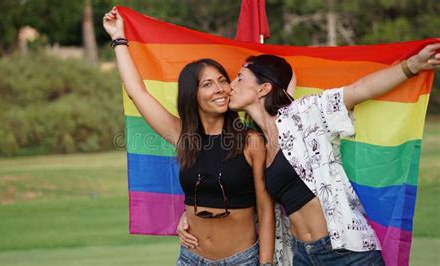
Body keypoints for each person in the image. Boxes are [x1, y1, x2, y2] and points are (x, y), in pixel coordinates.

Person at [179, 43, 440, 265]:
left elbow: (360, 90)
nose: (230, 87)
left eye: (239, 78)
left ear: (263, 89)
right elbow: (231, 189)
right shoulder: (254, 141)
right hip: (302, 255)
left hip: (346, 251)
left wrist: (413, 65)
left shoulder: (305, 115)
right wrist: (187, 216)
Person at [103, 7, 275, 265]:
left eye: (222, 80)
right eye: (207, 84)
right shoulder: (183, 137)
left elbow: (265, 209)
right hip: (191, 259)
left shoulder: (251, 141)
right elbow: (137, 92)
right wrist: (118, 38)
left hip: (242, 260)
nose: (220, 89)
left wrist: (266, 263)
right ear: (191, 95)